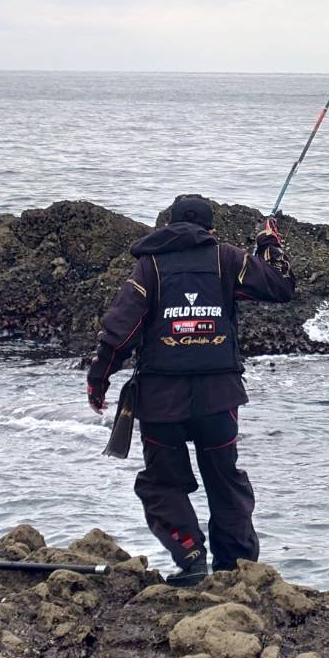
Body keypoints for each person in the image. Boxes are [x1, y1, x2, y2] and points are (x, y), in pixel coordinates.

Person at [86, 194, 295, 585]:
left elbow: (120, 331)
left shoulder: (148, 268)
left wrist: (99, 379)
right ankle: (233, 570)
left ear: (167, 226)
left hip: (161, 403)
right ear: (210, 230)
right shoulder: (228, 259)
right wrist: (269, 243)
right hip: (219, 400)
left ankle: (190, 554)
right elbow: (281, 286)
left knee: (162, 482)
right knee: (224, 481)